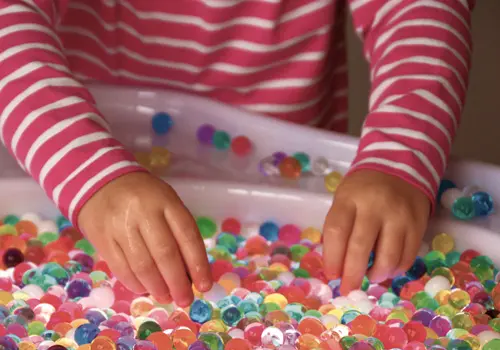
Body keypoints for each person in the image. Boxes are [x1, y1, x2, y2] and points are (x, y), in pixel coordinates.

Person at [0, 0, 474, 305]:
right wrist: (91, 177)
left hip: (286, 209)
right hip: (73, 184)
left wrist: (398, 155)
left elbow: (417, 10)